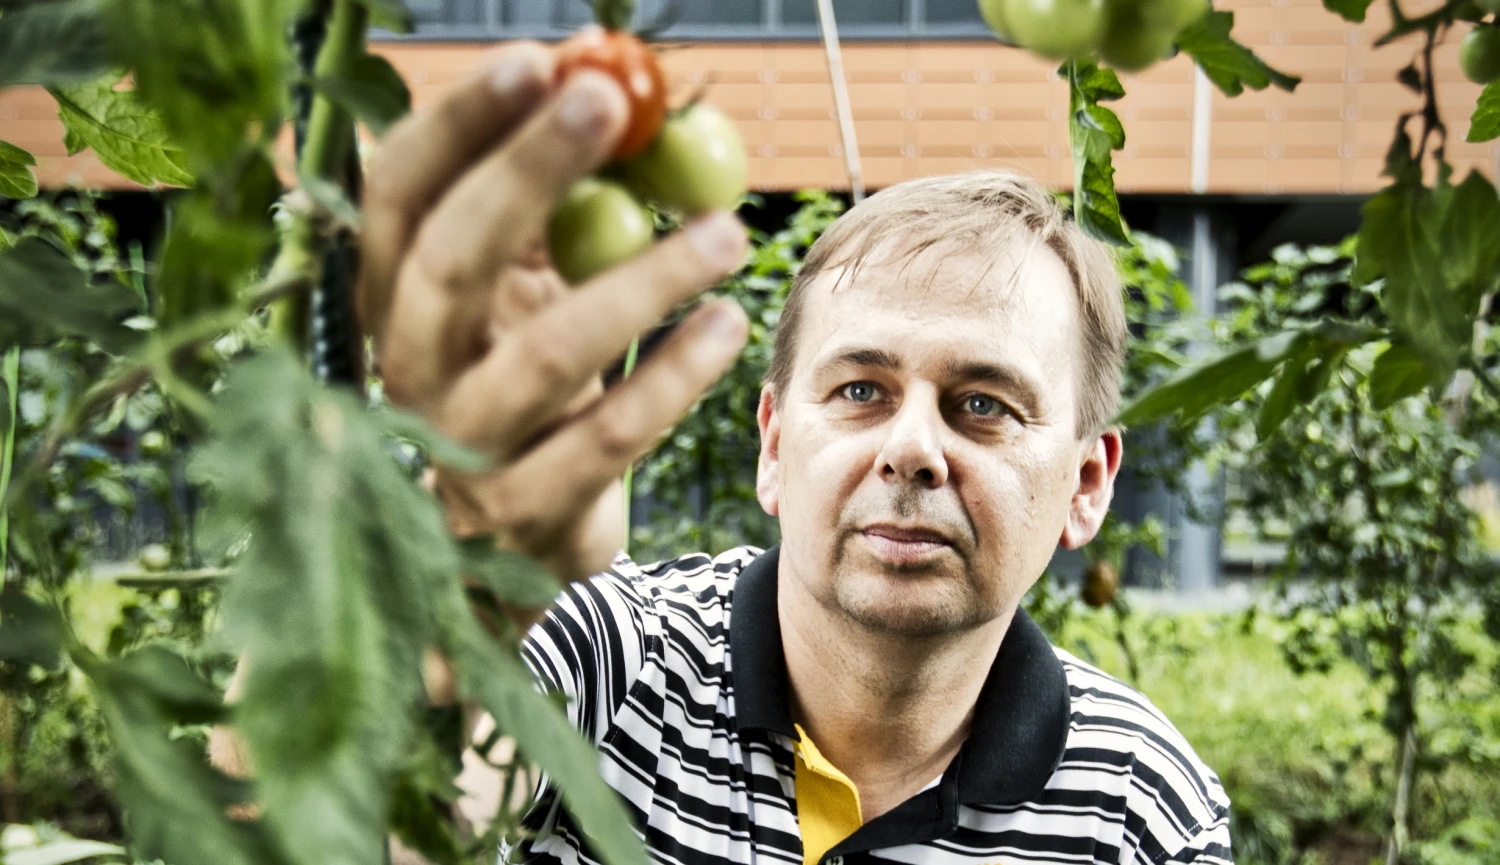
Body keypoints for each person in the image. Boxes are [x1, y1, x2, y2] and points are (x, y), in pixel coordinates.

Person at [356, 40, 1232, 865]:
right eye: (861, 391)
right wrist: (461, 574)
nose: (913, 449)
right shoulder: (615, 657)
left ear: (1086, 483)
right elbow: (352, 815)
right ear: (774, 444)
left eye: (981, 405)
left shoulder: (1142, 808)